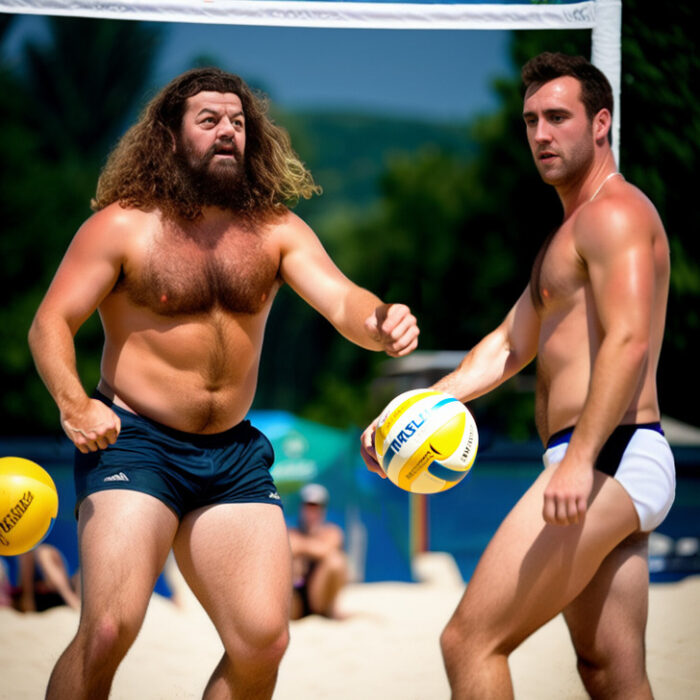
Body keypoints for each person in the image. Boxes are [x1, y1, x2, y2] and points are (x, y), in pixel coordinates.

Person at [28, 67, 419, 700]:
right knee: (106, 629)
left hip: (232, 453)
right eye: (209, 120)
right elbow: (50, 323)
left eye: (238, 122)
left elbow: (344, 301)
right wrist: (74, 403)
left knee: (264, 641)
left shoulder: (276, 230)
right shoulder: (123, 226)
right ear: (170, 136)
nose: (227, 132)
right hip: (134, 444)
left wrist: (381, 321)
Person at [361, 52, 675, 699]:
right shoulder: (566, 234)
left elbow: (629, 338)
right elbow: (507, 346)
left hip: (609, 454)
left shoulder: (616, 214)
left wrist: (580, 459)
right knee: (610, 672)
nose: (540, 134)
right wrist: (402, 417)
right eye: (530, 120)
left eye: (558, 116)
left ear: (600, 124)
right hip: (598, 458)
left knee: (469, 642)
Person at [288, 483, 348, 620]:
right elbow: (291, 546)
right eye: (308, 507)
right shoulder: (293, 532)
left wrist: (302, 548)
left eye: (316, 507)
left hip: (319, 598)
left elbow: (327, 550)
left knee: (336, 562)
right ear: (301, 508)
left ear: (323, 510)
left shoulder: (331, 532)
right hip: (296, 597)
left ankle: (326, 611)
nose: (312, 512)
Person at [5, 544, 81, 612]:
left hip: (55, 592)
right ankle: (71, 599)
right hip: (31, 597)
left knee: (43, 552)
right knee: (42, 553)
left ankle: (70, 598)